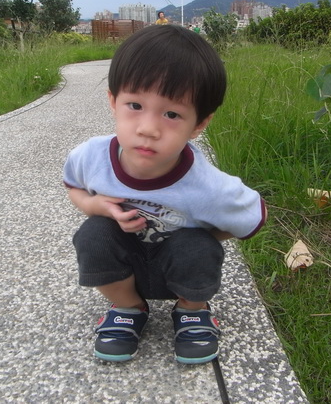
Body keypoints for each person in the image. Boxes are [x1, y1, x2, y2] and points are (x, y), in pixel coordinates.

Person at [63, 25, 266, 365]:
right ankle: (129, 307)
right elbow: (74, 186)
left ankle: (192, 311)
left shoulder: (208, 184)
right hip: (123, 269)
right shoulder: (91, 158)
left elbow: (254, 215)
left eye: (172, 114)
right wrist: (94, 204)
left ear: (199, 123)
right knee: (93, 235)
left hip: (179, 270)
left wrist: (207, 236)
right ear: (113, 100)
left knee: (198, 246)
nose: (148, 128)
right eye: (135, 105)